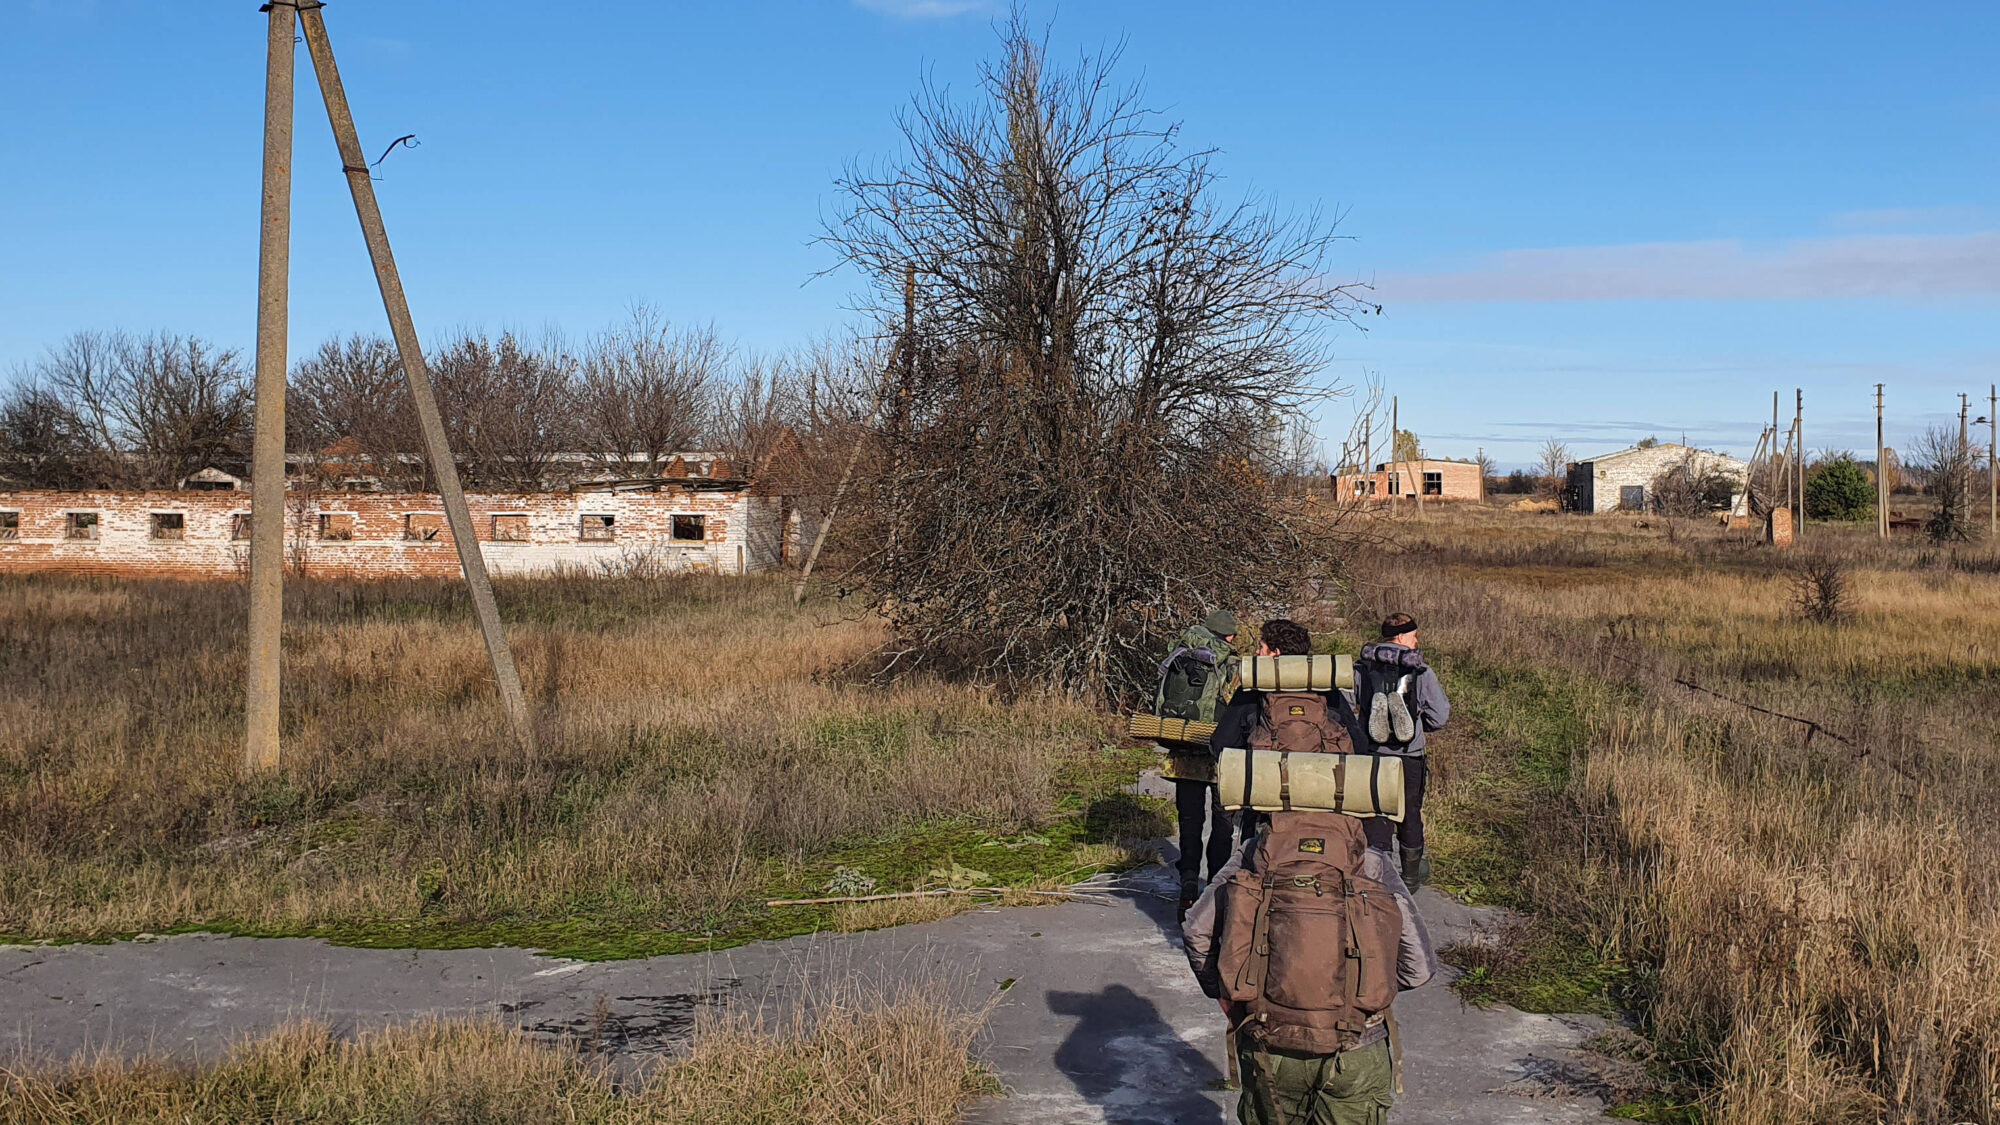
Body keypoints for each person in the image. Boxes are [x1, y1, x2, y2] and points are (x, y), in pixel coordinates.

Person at [1182, 779, 1438, 1124]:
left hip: (1267, 1040)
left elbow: (1196, 931)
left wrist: (1231, 997)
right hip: (1355, 1048)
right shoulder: (1372, 863)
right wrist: (1368, 989)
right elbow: (1418, 967)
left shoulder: (1253, 854)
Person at [1156, 609, 1242, 919]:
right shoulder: (1232, 665)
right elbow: (1239, 710)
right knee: (1223, 824)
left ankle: (1188, 883)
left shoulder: (1181, 653)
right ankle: (1214, 890)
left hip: (1184, 749)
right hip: (1222, 757)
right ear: (1230, 637)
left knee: (1190, 822)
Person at [1354, 612, 1450, 889]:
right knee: (1410, 811)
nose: (1417, 640)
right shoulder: (1422, 671)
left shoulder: (1361, 667)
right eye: (1414, 635)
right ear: (1403, 636)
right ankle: (1409, 879)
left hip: (1372, 754)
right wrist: (1422, 728)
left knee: (1373, 810)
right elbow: (1440, 715)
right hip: (1409, 754)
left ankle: (1376, 871)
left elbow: (1347, 705)